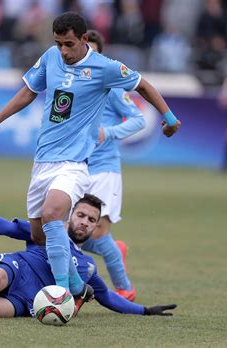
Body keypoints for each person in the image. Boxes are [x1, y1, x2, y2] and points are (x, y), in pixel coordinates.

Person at [0, 12, 181, 298]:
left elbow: (144, 86)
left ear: (84, 39)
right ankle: (76, 282)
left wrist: (170, 118)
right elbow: (29, 91)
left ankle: (63, 293)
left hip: (75, 163)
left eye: (68, 44)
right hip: (43, 160)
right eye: (58, 44)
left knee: (52, 215)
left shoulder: (105, 68)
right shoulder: (51, 57)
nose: (63, 51)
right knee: (38, 236)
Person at [0, 197, 176, 318]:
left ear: (96, 226)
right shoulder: (46, 233)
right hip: (17, 269)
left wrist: (144, 311)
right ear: (70, 215)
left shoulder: (89, 266)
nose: (85, 222)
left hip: (30, 301)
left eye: (92, 219)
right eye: (81, 215)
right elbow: (4, 226)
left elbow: (107, 297)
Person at [82, 29, 145, 302]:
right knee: (71, 229)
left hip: (105, 167)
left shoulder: (112, 86)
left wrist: (108, 133)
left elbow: (138, 119)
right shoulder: (73, 84)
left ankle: (124, 289)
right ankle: (112, 250)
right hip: (77, 166)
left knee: (96, 230)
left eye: (94, 52)